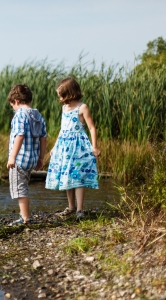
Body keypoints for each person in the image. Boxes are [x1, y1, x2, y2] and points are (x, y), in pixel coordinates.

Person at [45, 77, 100, 220]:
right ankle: (71, 207)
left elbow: (92, 128)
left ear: (69, 93)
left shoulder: (82, 107)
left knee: (79, 177)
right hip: (64, 147)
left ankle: (80, 210)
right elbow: (62, 130)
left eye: (61, 95)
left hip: (79, 147)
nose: (60, 99)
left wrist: (94, 147)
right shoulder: (64, 108)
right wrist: (55, 147)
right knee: (66, 176)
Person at [6, 84, 47, 225]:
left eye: (12, 105)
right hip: (32, 158)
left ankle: (25, 218)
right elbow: (43, 138)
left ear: (16, 101)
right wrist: (41, 158)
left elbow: (20, 135)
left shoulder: (20, 115)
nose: (13, 108)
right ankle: (23, 215)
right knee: (23, 185)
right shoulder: (38, 115)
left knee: (20, 189)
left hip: (20, 159)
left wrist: (12, 156)